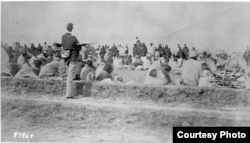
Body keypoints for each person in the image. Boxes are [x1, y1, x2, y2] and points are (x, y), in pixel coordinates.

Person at [62, 23, 82, 99]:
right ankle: (69, 94)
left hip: (66, 57)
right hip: (73, 58)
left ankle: (69, 92)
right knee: (70, 76)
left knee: (68, 75)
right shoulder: (74, 37)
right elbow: (79, 48)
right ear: (72, 29)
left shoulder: (63, 37)